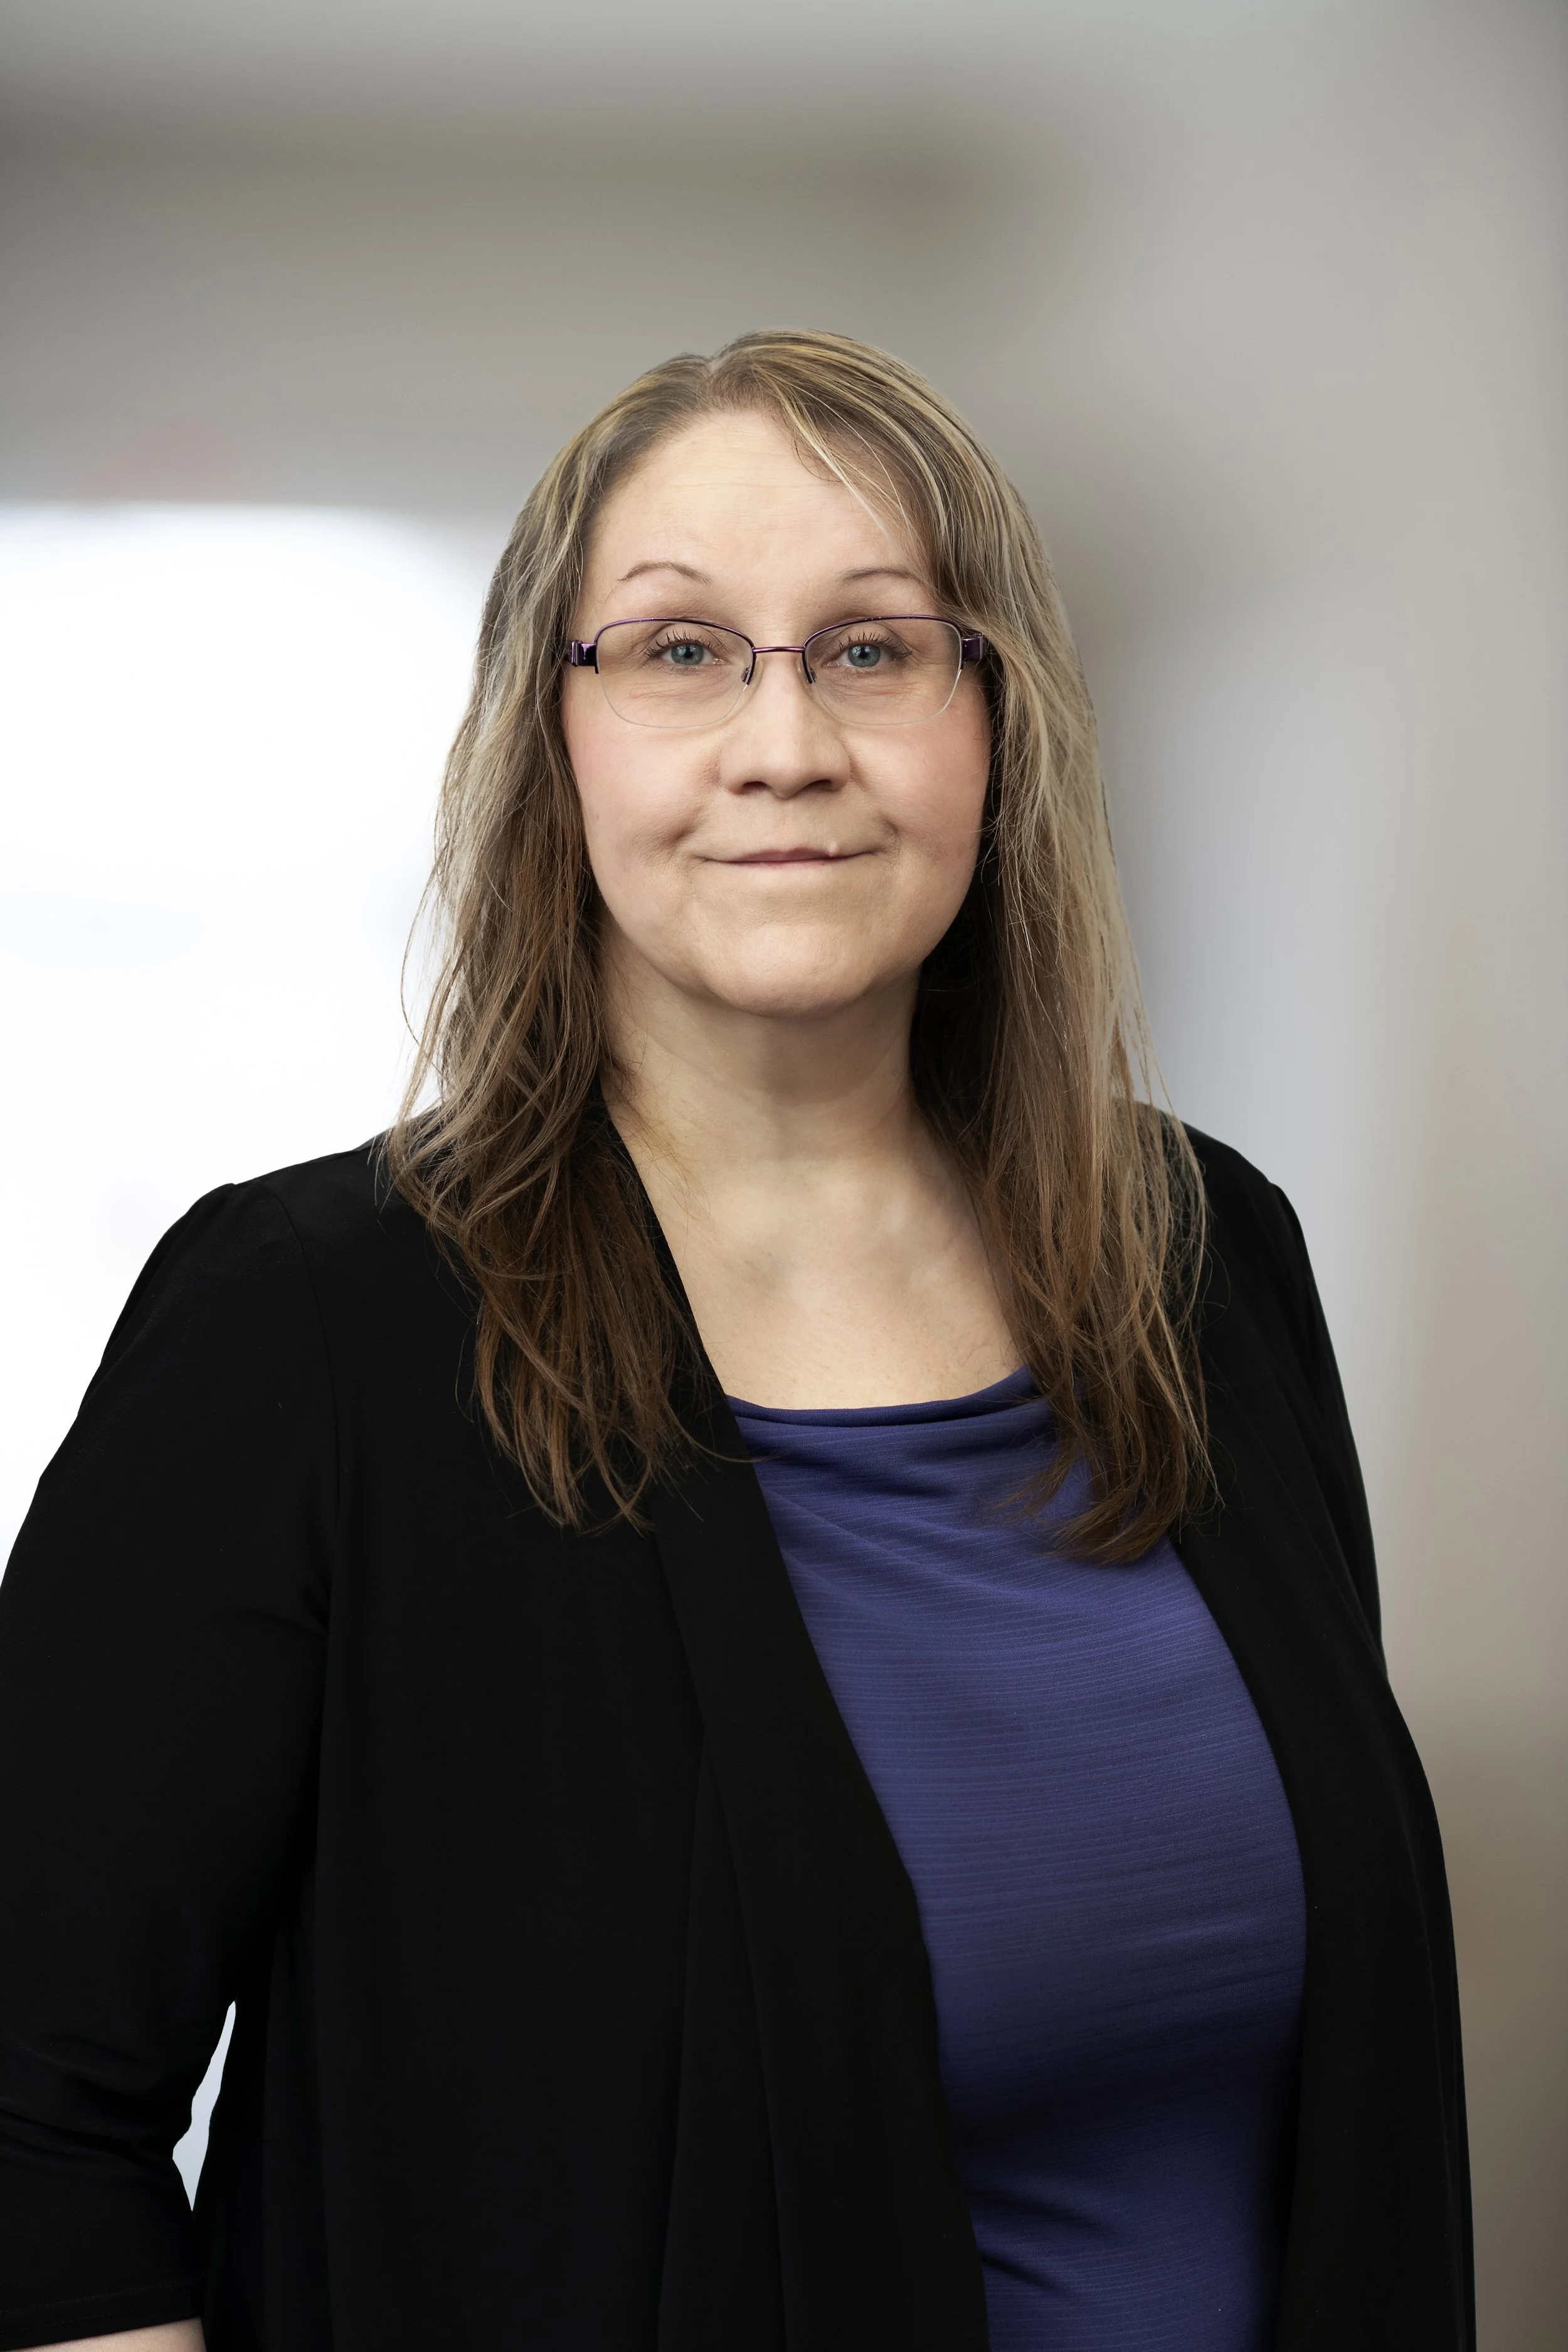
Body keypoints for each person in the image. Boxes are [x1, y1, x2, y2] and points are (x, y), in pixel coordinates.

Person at [0, 331, 1471, 2352]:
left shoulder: (1197, 1255)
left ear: (994, 720)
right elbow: (32, 2126)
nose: (783, 743)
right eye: (680, 651)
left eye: (872, 648)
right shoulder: (309, 1327)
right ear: (556, 732)